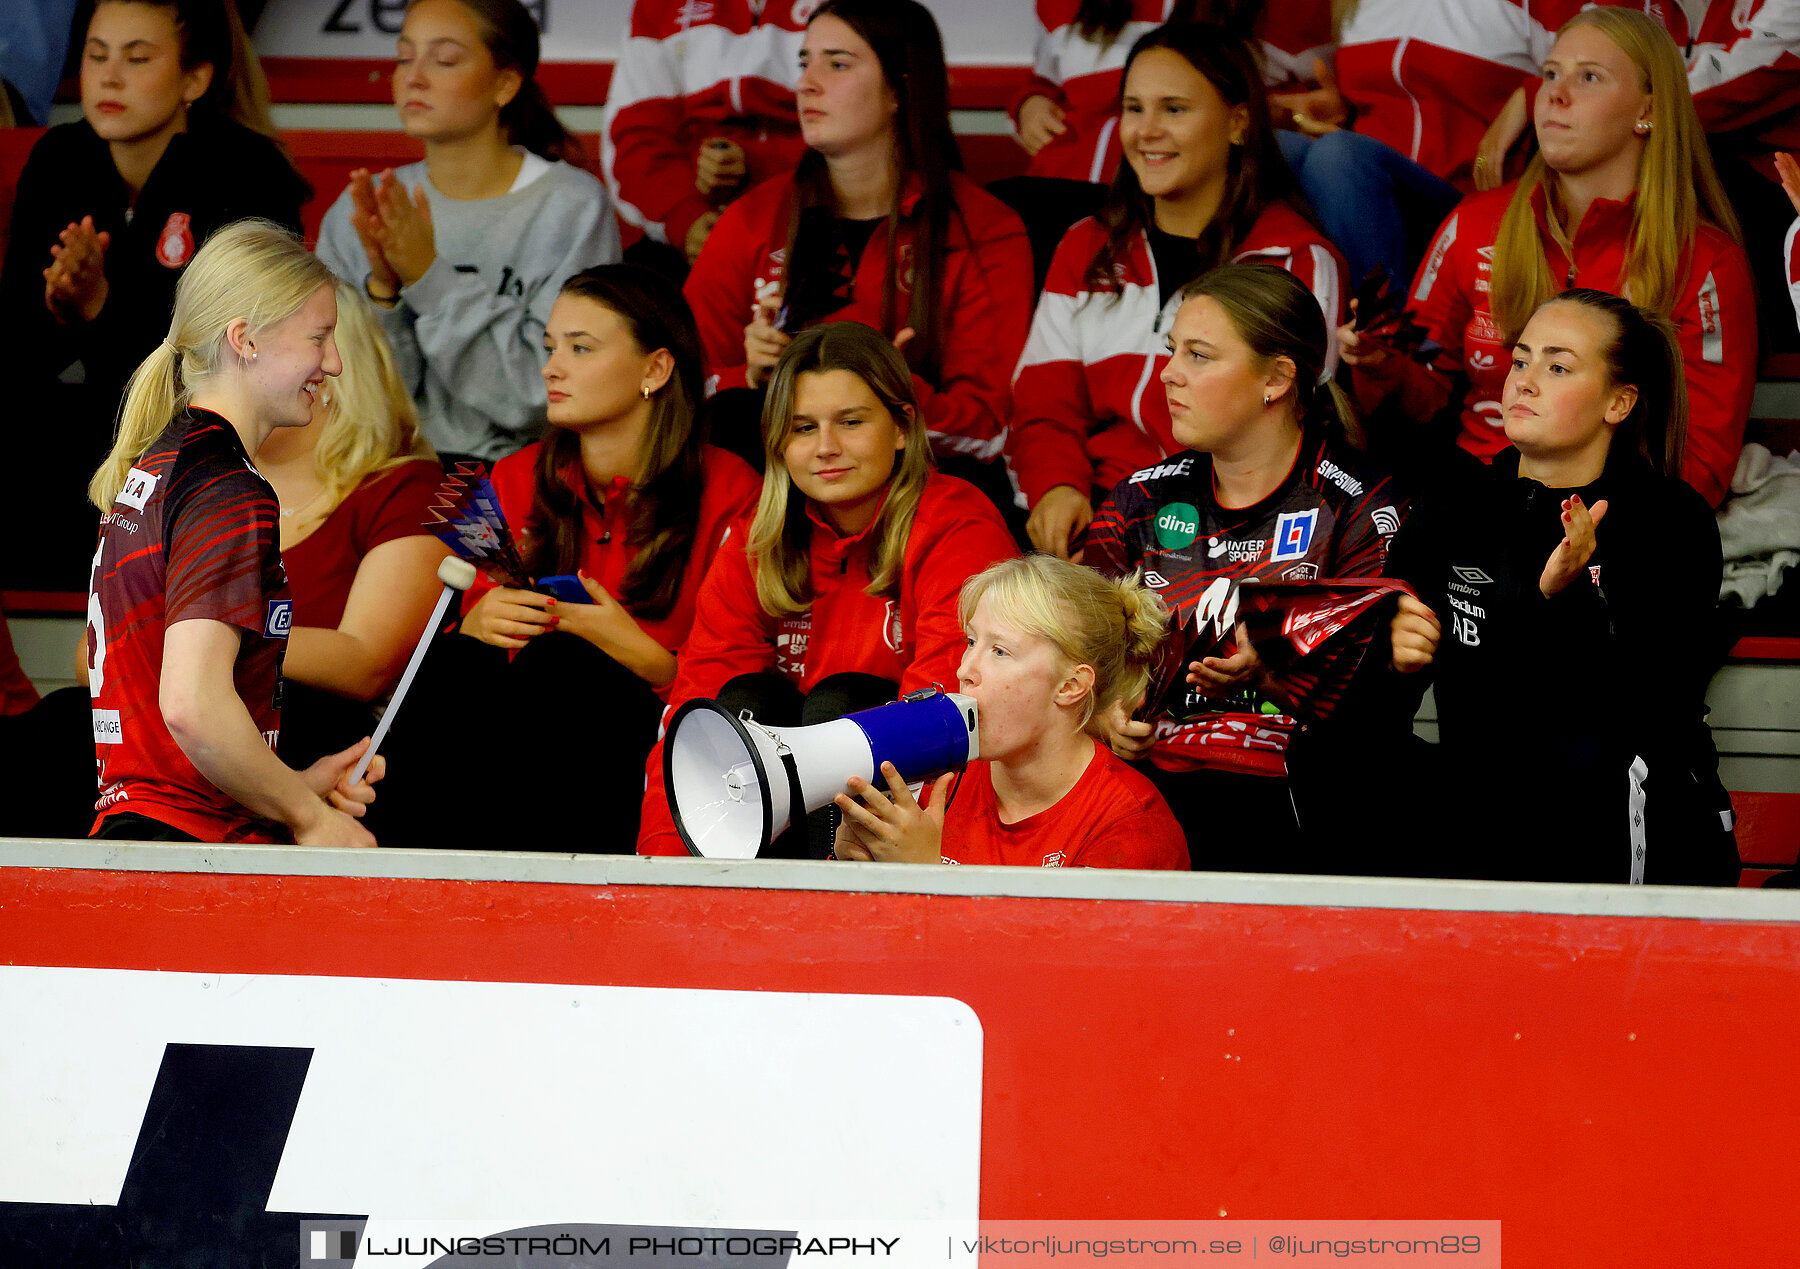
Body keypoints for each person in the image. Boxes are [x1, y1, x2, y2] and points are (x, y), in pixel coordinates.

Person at [1385, 289, 1739, 885]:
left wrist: (1564, 599)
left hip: (1627, 830)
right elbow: (1379, 704)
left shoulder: (1668, 519)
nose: (1523, 382)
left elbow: (1647, 706)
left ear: (1619, 402)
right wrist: (1387, 649)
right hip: (1484, 830)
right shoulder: (1450, 509)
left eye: (1557, 367)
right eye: (1520, 360)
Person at [1342, 7, 1756, 510]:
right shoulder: (1474, 222)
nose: (1557, 94)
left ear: (1649, 109)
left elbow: (1701, 463)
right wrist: (1383, 362)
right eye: (1551, 74)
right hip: (1470, 507)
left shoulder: (1706, 260)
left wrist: (1593, 536)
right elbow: (1426, 388)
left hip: (1607, 530)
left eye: (1589, 77)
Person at [637, 321, 1019, 857]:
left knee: (840, 704)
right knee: (742, 705)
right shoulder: (758, 539)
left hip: (922, 820)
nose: (826, 448)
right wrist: (666, 868)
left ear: (903, 426)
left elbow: (954, 714)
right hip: (793, 813)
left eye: (851, 422)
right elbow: (693, 717)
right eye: (802, 428)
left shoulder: (958, 529)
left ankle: (840, 907)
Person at [1085, 263, 1411, 873]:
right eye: (1171, 350)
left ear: (1277, 378)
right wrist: (1104, 712)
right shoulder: (1135, 503)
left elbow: (1378, 713)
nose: (1169, 372)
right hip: (1146, 798)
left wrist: (1275, 676)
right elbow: (1074, 654)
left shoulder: (1362, 509)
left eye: (1199, 356)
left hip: (1302, 809)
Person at [438, 264, 760, 850]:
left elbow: (740, 692)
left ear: (656, 369)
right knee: (464, 669)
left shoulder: (733, 489)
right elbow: (463, 663)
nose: (551, 367)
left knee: (567, 666)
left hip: (657, 755)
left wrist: (635, 652)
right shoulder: (511, 476)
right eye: (550, 346)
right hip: (512, 748)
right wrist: (477, 627)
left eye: (580, 348)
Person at [86, 219, 384, 846]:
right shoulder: (226, 486)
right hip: (189, 845)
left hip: (145, 830)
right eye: (320, 338)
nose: (332, 364)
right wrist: (311, 818)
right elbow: (191, 706)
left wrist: (293, 786)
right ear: (245, 339)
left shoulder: (161, 461)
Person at [1009, 23, 1347, 562]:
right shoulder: (1086, 246)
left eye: (1173, 109)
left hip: (1227, 540)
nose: (1146, 131)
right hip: (1093, 520)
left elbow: (1292, 441)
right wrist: (1056, 487)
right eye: (1134, 108)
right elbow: (1042, 405)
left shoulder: (1296, 260)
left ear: (1238, 123)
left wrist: (1146, 539)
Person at [0, 0, 307, 590]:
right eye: (96, 56)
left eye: (137, 59)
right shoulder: (59, 159)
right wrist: (62, 311)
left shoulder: (247, 172)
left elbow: (232, 361)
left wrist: (102, 308)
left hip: (194, 445)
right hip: (60, 445)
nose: (110, 77)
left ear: (195, 78)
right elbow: (16, 346)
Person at [681, 0, 1034, 511]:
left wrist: (885, 388)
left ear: (900, 89)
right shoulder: (754, 218)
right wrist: (751, 377)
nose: (807, 83)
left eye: (838, 64)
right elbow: (674, 387)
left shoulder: (984, 230)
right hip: (768, 505)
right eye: (804, 63)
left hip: (916, 508)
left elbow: (991, 431)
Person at [315, 0, 620, 466]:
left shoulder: (572, 207)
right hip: (384, 470)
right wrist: (384, 295)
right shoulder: (365, 207)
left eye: (445, 60)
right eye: (403, 57)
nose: (413, 77)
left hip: (526, 477)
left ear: (505, 84)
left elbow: (544, 397)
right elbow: (345, 397)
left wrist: (429, 279)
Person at [832, 554, 1189, 869]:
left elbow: (1056, 948)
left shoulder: (1131, 824)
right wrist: (853, 871)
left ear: (1070, 686)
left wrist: (927, 876)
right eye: (971, 642)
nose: (964, 670)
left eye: (1000, 651)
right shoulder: (940, 774)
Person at [252, 282, 448, 774]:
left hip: (329, 745)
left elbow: (366, 663)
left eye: (261, 353)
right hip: (189, 729)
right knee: (63, 724)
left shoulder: (404, 488)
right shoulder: (197, 487)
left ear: (331, 371)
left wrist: (203, 637)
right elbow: (92, 655)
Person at [1272, 0, 1593, 288]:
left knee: (1339, 156)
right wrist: (1337, 108)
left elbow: (1606, 69)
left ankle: (1386, 335)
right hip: (1366, 191)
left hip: (1464, 201)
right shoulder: (1359, 6)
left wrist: (1530, 92)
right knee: (1280, 147)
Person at [598, 0, 807, 269]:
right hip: (688, 240)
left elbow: (866, 132)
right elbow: (636, 135)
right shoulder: (657, 6)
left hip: (817, 227)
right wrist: (687, 217)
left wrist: (759, 166)